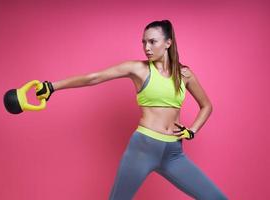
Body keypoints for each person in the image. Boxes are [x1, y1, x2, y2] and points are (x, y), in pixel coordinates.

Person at [35, 20, 228, 200]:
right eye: (144, 42)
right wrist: (52, 86)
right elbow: (93, 77)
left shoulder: (184, 74)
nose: (147, 47)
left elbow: (206, 106)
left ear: (168, 43)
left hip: (173, 153)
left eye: (153, 42)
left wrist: (192, 130)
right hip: (143, 149)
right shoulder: (138, 69)